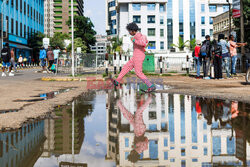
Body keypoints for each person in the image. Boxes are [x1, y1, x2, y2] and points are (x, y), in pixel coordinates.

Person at [112, 22, 156, 92]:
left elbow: (143, 43)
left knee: (139, 73)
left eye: (129, 31)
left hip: (138, 57)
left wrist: (134, 40)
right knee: (125, 67)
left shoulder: (138, 36)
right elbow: (146, 41)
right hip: (135, 56)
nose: (129, 33)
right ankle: (117, 81)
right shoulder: (140, 35)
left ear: (133, 30)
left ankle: (151, 86)